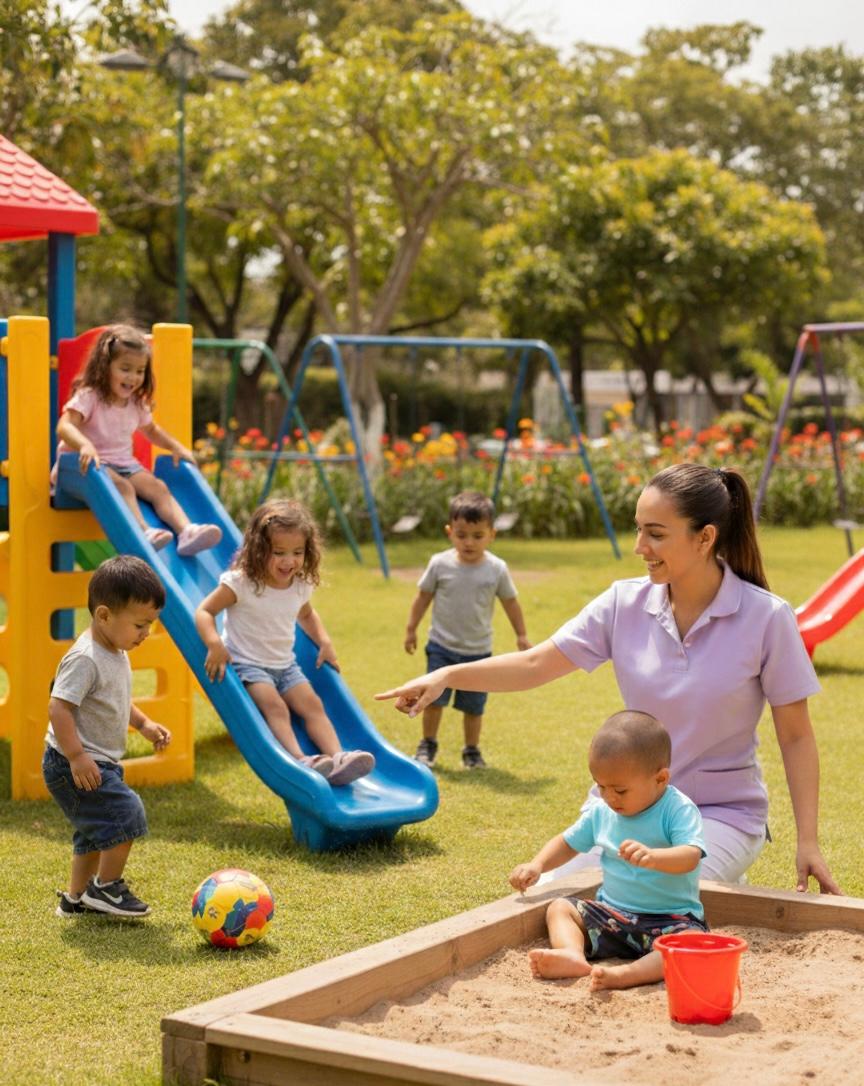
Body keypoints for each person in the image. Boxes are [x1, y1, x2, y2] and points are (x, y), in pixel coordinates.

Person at [379, 463, 841, 894]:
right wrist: (445, 676)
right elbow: (536, 665)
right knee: (547, 898)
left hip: (719, 815)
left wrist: (809, 841)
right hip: (624, 809)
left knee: (643, 892)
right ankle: (708, 897)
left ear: (705, 538)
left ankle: (710, 890)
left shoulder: (766, 618)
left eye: (655, 534)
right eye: (639, 530)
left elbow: (796, 737)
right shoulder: (623, 603)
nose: (640, 547)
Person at [509, 710, 707, 991]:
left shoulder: (677, 809)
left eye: (621, 790)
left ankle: (627, 975)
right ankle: (571, 954)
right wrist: (538, 865)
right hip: (612, 916)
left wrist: (655, 857)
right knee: (560, 908)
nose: (610, 797)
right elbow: (567, 842)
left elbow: (690, 855)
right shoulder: (602, 812)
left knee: (688, 943)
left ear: (660, 779)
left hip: (670, 920)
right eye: (601, 786)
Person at [195, 498, 375, 787]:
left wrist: (324, 641)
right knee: (276, 707)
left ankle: (338, 757)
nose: (289, 561)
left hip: (285, 665)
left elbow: (307, 614)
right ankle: (300, 759)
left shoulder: (300, 586)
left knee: (313, 705)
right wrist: (215, 643)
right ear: (258, 550)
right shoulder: (242, 583)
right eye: (278, 552)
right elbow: (204, 611)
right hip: (247, 665)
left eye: (297, 552)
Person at [44, 555, 170, 918]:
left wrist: (144, 724)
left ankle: (76, 898)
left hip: (98, 760)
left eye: (150, 625)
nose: (146, 633)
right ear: (104, 616)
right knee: (127, 816)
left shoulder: (115, 649)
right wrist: (77, 756)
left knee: (94, 832)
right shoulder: (86, 658)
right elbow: (59, 708)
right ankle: (106, 888)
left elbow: (117, 700)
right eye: (140, 625)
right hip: (73, 761)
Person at [55, 323, 222, 557]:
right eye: (125, 368)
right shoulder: (90, 396)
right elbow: (64, 426)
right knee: (123, 487)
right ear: (105, 367)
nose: (133, 377)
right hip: (82, 467)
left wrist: (175, 447)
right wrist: (84, 444)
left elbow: (152, 430)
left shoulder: (135, 402)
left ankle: (186, 531)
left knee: (158, 487)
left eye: (139, 371)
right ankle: (143, 532)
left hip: (123, 464)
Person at [404, 490, 530, 770]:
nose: (469, 542)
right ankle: (427, 745)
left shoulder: (496, 569)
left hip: (478, 652)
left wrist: (521, 634)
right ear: (450, 532)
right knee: (433, 700)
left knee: (474, 707)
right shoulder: (440, 564)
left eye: (477, 535)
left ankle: (471, 751)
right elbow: (423, 597)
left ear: (491, 535)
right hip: (441, 647)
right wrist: (411, 628)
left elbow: (510, 602)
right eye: (461, 535)